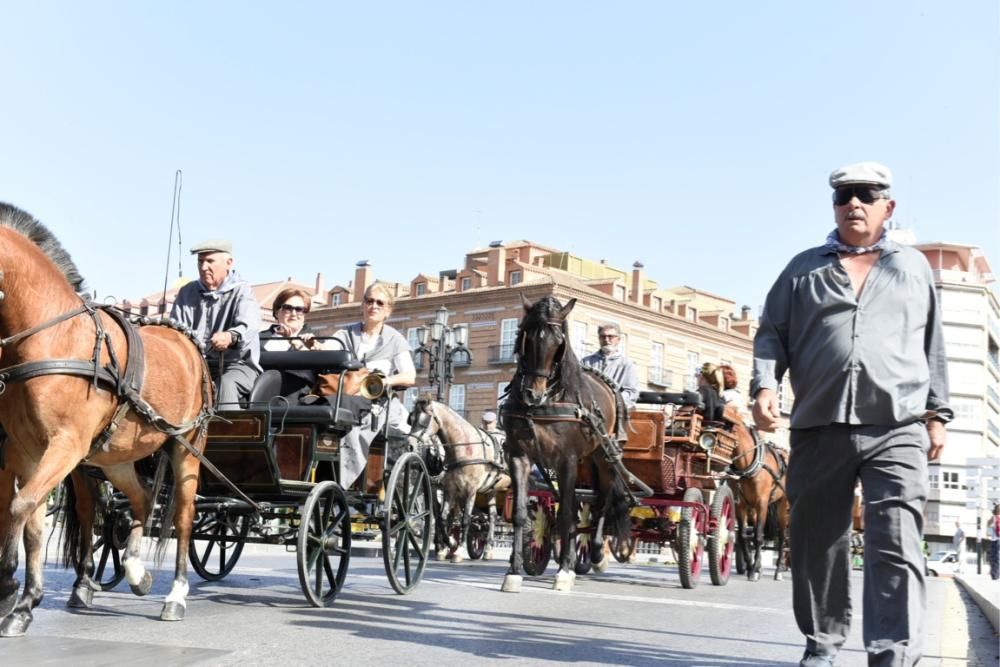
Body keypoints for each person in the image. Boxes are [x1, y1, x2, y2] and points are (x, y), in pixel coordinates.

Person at [751, 161, 952, 667]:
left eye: (866, 194)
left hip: (898, 425)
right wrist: (763, 385)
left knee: (897, 543)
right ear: (834, 204)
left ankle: (893, 655)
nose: (854, 203)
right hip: (820, 426)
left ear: (889, 205)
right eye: (844, 196)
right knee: (818, 543)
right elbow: (772, 333)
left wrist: (937, 414)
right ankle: (821, 646)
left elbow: (934, 345)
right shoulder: (803, 268)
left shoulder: (912, 268)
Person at [332, 282, 416, 488]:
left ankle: (344, 484)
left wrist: (385, 381)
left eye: (380, 303)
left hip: (378, 402)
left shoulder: (394, 339)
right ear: (362, 305)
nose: (374, 306)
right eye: (369, 301)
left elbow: (409, 376)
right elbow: (326, 351)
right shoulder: (344, 334)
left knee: (355, 427)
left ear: (388, 310)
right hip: (345, 397)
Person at [170, 239, 262, 406]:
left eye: (209, 261)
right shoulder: (187, 292)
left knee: (226, 384)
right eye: (200, 261)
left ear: (229, 263)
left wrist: (231, 336)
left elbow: (249, 326)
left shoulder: (242, 291)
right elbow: (175, 330)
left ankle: (225, 431)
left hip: (236, 365)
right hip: (194, 364)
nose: (204, 267)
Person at [260, 287, 326, 397]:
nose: (294, 314)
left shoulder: (315, 341)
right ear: (277, 312)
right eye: (288, 308)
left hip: (297, 403)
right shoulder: (258, 339)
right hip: (257, 400)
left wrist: (301, 346)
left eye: (299, 309)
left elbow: (320, 374)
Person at [581, 323, 639, 409]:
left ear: (618, 339)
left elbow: (631, 392)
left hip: (614, 409)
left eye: (610, 336)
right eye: (603, 337)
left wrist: (610, 400)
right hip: (588, 407)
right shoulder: (586, 361)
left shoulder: (627, 364)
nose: (606, 340)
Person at [988, 504, 1000, 580]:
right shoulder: (995, 517)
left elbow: (988, 524)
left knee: (994, 558)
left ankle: (995, 575)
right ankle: (996, 574)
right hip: (997, 539)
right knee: (997, 557)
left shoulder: (993, 517)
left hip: (995, 540)